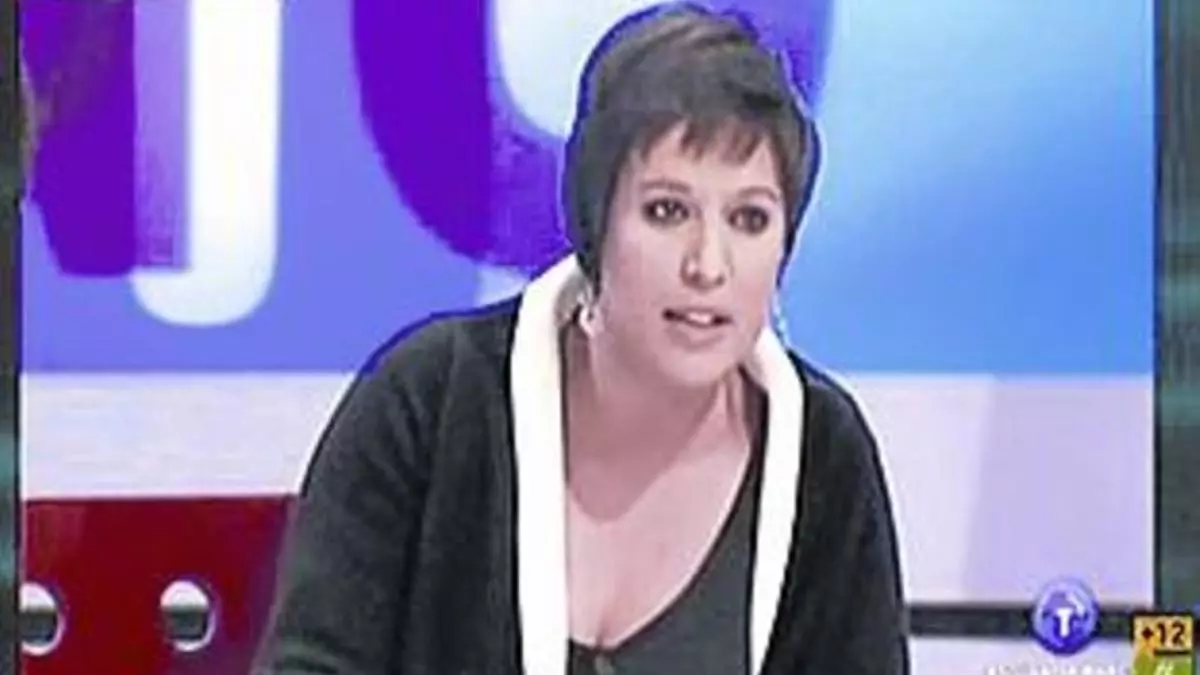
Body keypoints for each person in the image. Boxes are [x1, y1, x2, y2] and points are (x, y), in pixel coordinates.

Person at [254, 4, 909, 674]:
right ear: (595, 222)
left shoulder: (823, 455)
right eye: (667, 211)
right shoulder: (430, 402)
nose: (708, 265)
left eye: (749, 219)